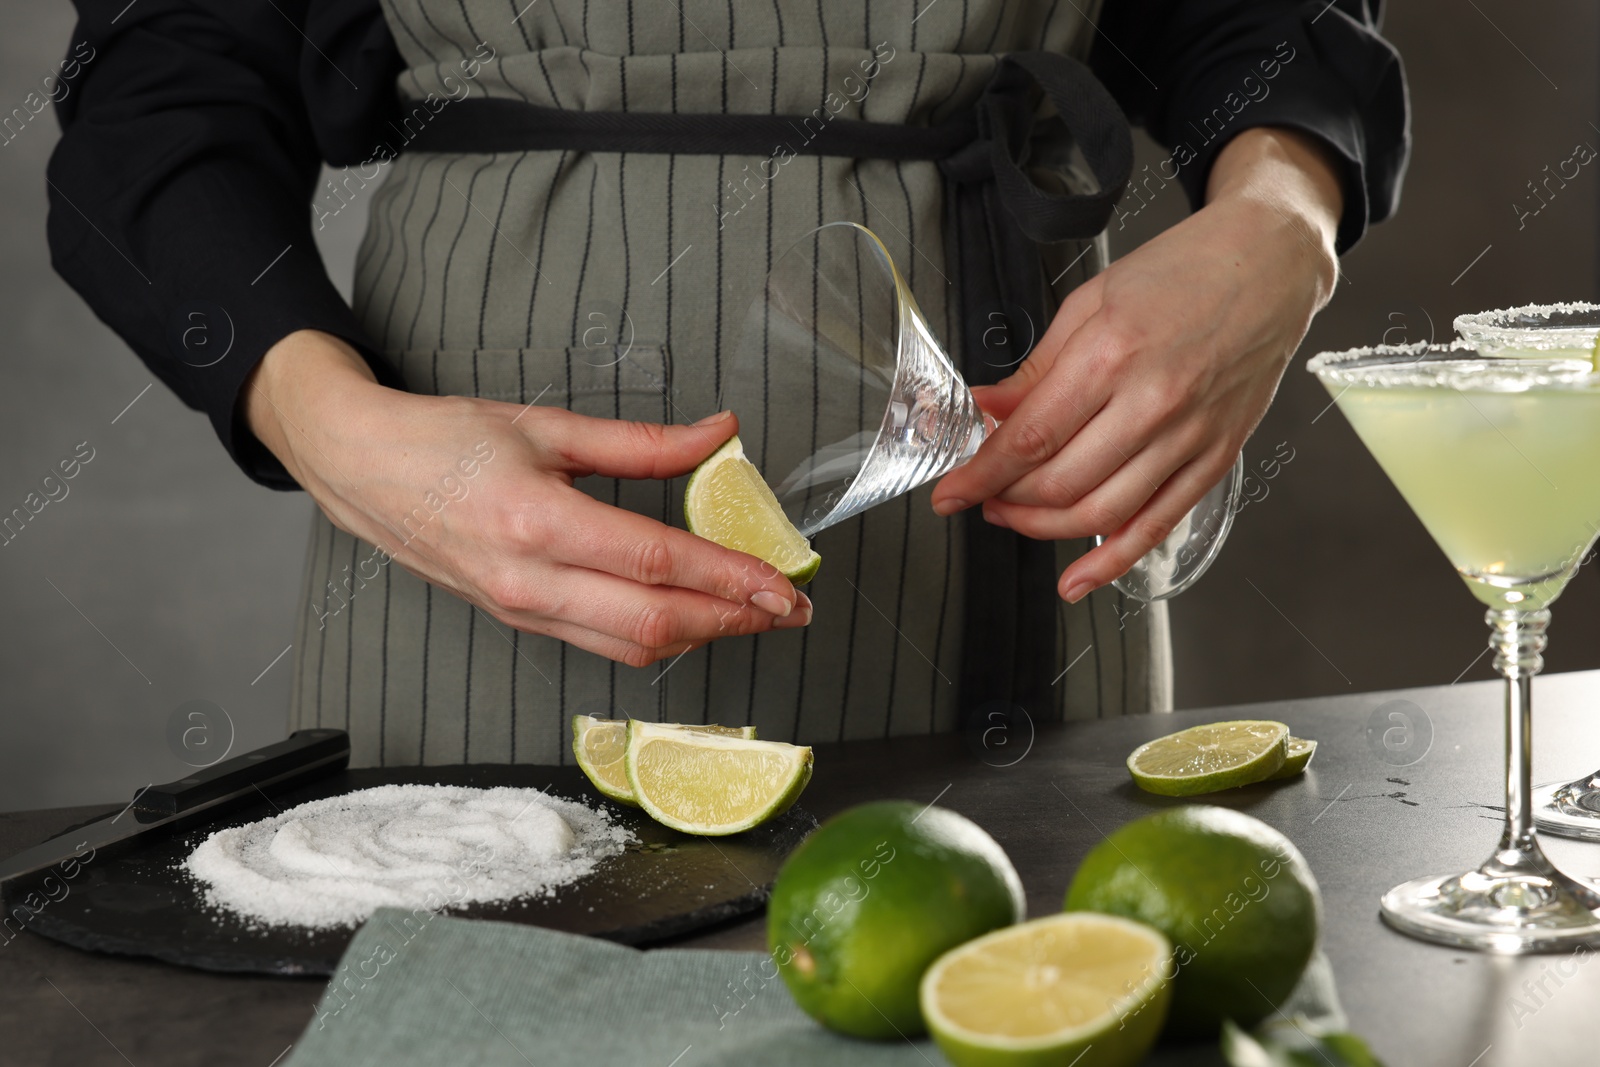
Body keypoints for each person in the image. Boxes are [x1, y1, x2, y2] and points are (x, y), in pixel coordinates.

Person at [46, 0, 1408, 766]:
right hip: (475, 562)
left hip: (1012, 516)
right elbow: (162, 93)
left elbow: (1262, 22)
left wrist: (1279, 225)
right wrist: (325, 424)